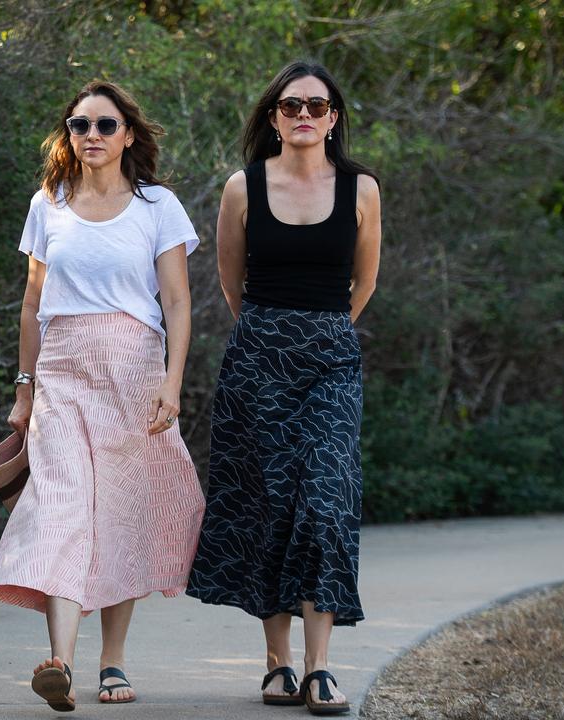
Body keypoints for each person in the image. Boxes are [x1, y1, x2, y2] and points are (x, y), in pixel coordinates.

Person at [0, 80, 206, 712]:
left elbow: (178, 302)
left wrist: (172, 382)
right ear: (69, 134)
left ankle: (112, 662)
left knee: (118, 514)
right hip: (61, 371)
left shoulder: (157, 205)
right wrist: (24, 391)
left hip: (133, 371)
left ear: (127, 134)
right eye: (80, 125)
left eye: (105, 125)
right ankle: (60, 661)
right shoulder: (48, 202)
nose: (92, 136)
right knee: (60, 507)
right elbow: (32, 304)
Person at [184, 61, 382, 716]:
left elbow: (366, 282)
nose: (304, 115)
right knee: (269, 507)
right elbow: (230, 280)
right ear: (272, 116)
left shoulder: (362, 187)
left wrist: (322, 336)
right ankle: (277, 664)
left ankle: (321, 667)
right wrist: (273, 336)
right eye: (291, 105)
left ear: (333, 117)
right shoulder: (243, 188)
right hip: (258, 361)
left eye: (317, 107)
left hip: (330, 361)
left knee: (325, 503)